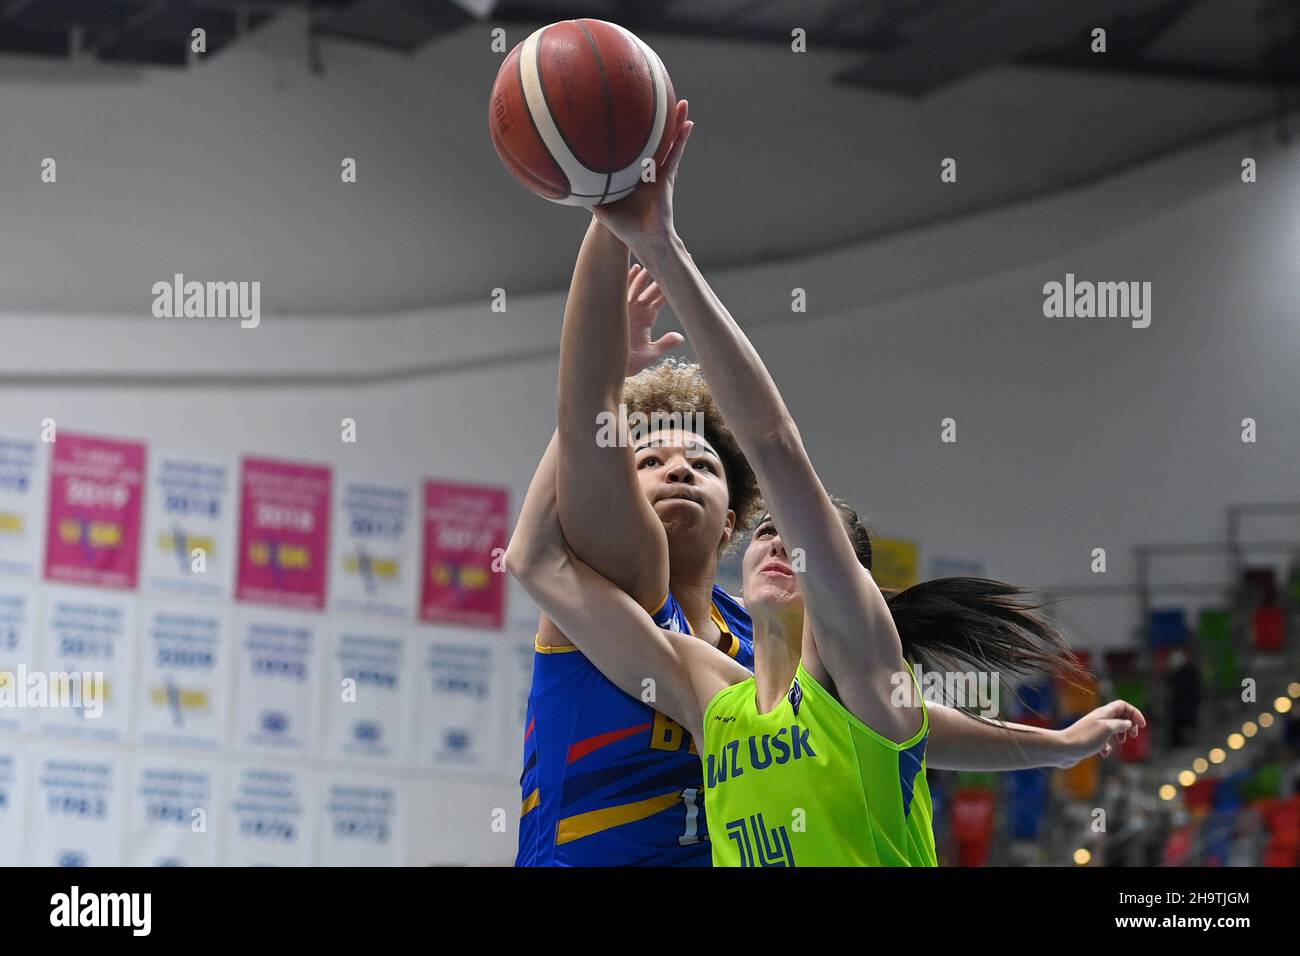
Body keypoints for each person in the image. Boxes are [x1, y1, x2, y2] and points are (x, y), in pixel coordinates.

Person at [511, 103, 1145, 865]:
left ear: (732, 523)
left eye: (705, 465)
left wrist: (654, 237)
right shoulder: (720, 695)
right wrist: (606, 203)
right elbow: (540, 545)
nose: (677, 468)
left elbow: (776, 450)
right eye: (650, 461)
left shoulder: (845, 668)